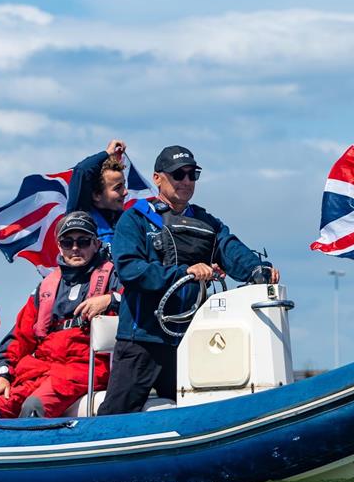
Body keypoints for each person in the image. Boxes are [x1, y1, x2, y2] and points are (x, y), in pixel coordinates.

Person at [97, 145, 280, 415]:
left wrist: (259, 270)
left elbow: (231, 250)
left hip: (191, 338)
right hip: (142, 340)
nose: (186, 181)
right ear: (158, 178)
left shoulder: (208, 223)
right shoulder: (135, 219)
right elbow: (130, 270)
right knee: (115, 416)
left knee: (203, 409)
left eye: (192, 174)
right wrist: (185, 273)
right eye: (178, 174)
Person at [0, 212, 121, 418]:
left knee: (34, 407)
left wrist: (111, 299)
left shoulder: (114, 277)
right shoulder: (46, 288)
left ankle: (34, 449)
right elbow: (18, 338)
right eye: (67, 242)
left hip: (85, 367)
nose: (75, 248)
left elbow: (139, 304)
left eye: (83, 241)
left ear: (96, 244)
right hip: (41, 368)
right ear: (59, 246)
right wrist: (2, 374)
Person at [65, 139, 129, 245]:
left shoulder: (127, 222)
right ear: (97, 195)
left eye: (124, 185)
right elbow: (82, 171)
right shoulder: (80, 218)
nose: (125, 192)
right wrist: (108, 153)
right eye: (118, 188)